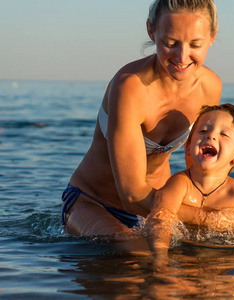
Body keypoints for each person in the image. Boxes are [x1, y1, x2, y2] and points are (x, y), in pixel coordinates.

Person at [61, 0, 223, 240]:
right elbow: (132, 195)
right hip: (92, 203)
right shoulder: (130, 87)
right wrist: (211, 219)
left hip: (156, 206)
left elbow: (199, 171)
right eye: (170, 43)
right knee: (137, 256)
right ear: (151, 31)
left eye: (195, 44)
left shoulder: (210, 87)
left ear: (212, 37)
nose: (182, 56)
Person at [146, 104, 234, 264]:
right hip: (191, 252)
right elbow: (161, 219)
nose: (211, 136)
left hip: (229, 253)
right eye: (203, 131)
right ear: (187, 148)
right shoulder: (179, 184)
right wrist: (160, 258)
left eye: (224, 134)